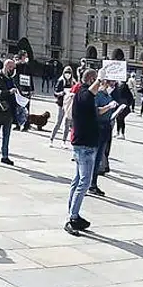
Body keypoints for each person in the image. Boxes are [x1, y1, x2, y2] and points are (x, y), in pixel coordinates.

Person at [67, 70, 116, 234]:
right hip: (84, 146)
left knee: (77, 180)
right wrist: (100, 79)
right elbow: (89, 93)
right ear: (90, 80)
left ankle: (73, 214)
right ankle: (72, 218)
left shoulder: (86, 96)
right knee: (84, 183)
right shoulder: (82, 93)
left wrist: (109, 107)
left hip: (85, 144)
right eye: (96, 81)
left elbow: (96, 110)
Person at [50, 66, 75, 145]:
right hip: (61, 103)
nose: (68, 75)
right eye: (66, 73)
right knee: (58, 122)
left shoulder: (73, 82)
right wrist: (60, 93)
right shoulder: (61, 81)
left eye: (69, 73)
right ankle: (51, 139)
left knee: (67, 123)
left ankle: (63, 141)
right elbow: (55, 93)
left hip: (69, 104)